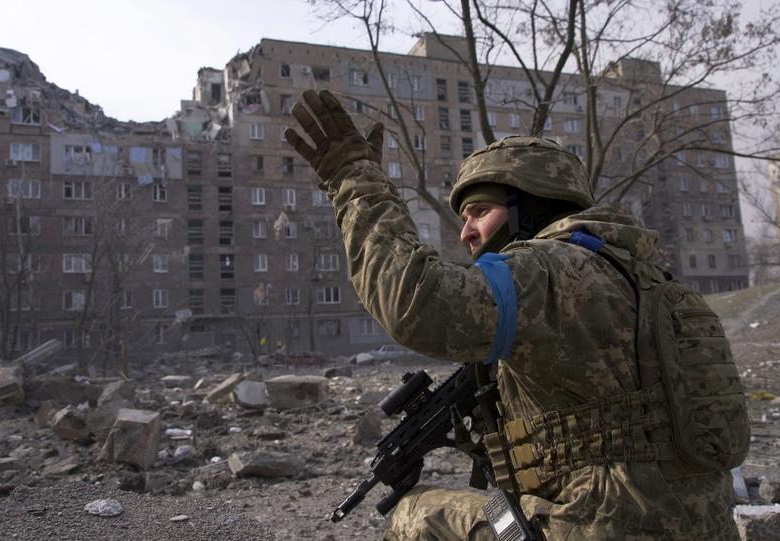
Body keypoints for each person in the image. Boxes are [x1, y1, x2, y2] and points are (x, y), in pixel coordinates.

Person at [285, 89, 745, 540]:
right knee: (498, 504)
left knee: (413, 514)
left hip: (598, 524)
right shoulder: (650, 279)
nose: (466, 232)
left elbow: (416, 304)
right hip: (700, 524)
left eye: (479, 212)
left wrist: (355, 179)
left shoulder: (548, 269)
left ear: (532, 208)